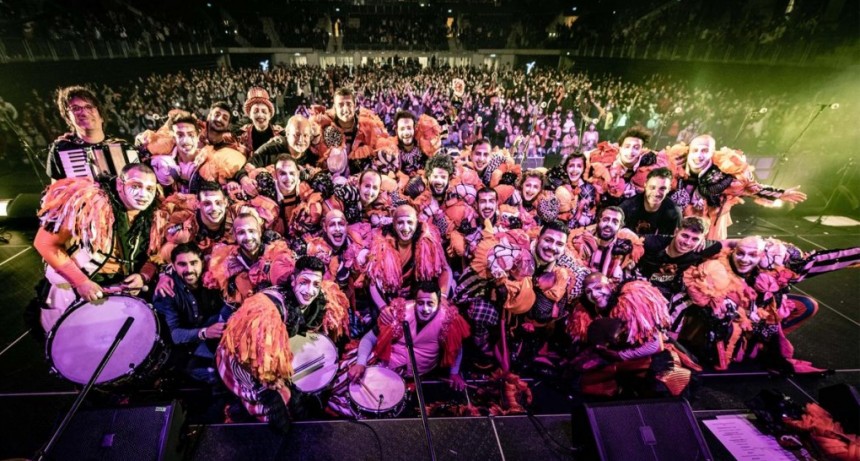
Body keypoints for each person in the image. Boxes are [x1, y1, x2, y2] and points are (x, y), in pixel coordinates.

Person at [217, 256, 349, 430]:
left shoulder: (319, 296)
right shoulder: (269, 308)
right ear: (293, 281)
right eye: (304, 282)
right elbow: (255, 355)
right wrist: (271, 385)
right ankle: (238, 412)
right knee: (277, 410)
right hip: (244, 357)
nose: (310, 290)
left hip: (274, 353)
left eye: (316, 284)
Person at [35, 163, 160, 331]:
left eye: (150, 189)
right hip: (74, 291)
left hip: (122, 296)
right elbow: (44, 243)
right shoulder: (88, 204)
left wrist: (144, 276)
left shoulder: (157, 215)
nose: (143, 194)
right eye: (135, 186)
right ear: (119, 185)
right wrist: (81, 281)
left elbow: (156, 256)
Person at [670, 135, 806, 239]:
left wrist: (780, 193)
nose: (699, 155)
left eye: (705, 151)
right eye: (695, 150)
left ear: (712, 153)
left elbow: (752, 188)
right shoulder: (675, 167)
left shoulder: (725, 173)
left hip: (711, 224)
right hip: (680, 223)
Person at [153, 243, 225, 384]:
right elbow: (175, 335)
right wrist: (205, 332)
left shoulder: (213, 276)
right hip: (186, 350)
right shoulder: (167, 291)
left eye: (193, 263)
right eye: (182, 264)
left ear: (202, 263)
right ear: (173, 266)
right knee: (215, 376)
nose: (189, 270)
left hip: (214, 339)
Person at [46, 85, 131, 181]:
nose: (84, 113)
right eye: (75, 108)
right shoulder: (63, 148)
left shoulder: (123, 147)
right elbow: (56, 192)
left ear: (101, 116)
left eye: (89, 106)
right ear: (68, 118)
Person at [620, 167, 682, 235]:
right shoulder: (627, 207)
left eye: (662, 188)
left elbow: (674, 240)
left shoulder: (674, 213)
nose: (656, 193)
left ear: (669, 189)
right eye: (652, 187)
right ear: (645, 185)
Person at [238, 87, 282, 155]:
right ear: (250, 115)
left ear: (270, 115)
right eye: (255, 111)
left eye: (264, 111)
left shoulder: (281, 134)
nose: (260, 115)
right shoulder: (241, 136)